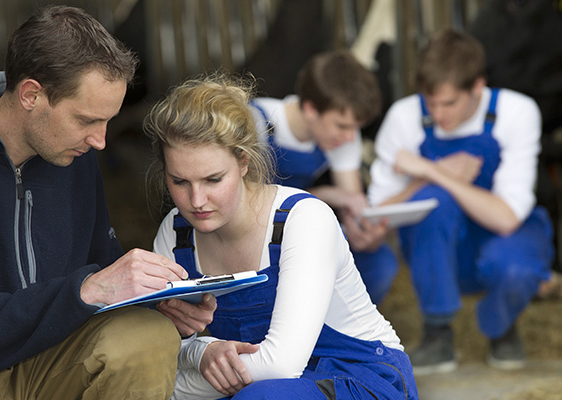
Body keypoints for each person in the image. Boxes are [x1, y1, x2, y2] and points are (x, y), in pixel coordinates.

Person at [0, 6, 215, 400]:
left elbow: (102, 276)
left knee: (148, 333)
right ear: (31, 95)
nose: (100, 141)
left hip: (54, 367)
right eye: (87, 120)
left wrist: (157, 305)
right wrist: (85, 291)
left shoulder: (74, 160)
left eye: (107, 121)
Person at [144, 73, 418, 400]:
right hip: (255, 380)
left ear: (243, 161)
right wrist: (202, 351)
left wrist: (162, 393)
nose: (197, 200)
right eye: (179, 182)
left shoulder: (302, 220)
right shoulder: (175, 234)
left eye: (213, 180)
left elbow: (279, 365)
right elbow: (166, 345)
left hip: (355, 376)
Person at [367, 28, 555, 375]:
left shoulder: (515, 112)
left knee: (516, 267)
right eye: (430, 102)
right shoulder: (405, 116)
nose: (438, 114)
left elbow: (507, 218)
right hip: (440, 248)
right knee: (434, 199)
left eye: (449, 103)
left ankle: (501, 325)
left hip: (504, 237)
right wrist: (433, 177)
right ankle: (437, 331)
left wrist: (432, 170)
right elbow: (380, 213)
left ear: (478, 87)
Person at [248, 50, 397, 304]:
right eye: (342, 125)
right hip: (253, 236)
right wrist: (326, 195)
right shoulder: (254, 123)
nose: (350, 137)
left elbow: (355, 206)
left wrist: (366, 234)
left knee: (379, 262)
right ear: (310, 109)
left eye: (355, 128)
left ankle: (340, 331)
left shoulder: (341, 133)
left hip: (295, 227)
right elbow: (245, 209)